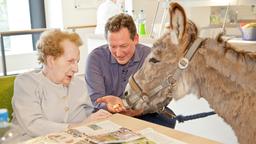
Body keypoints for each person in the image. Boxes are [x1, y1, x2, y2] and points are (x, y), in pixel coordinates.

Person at [6, 29, 112, 143]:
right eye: (70, 61)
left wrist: (104, 109)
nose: (76, 69)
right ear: (51, 60)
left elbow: (89, 117)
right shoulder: (27, 83)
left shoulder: (79, 85)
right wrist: (77, 126)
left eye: (77, 61)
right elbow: (33, 124)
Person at [85, 13, 175, 128]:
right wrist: (110, 106)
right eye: (112, 46)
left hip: (144, 113)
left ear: (136, 39)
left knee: (165, 122)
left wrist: (136, 110)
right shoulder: (95, 58)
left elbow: (163, 96)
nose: (118, 53)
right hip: (108, 114)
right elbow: (96, 99)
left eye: (123, 46)